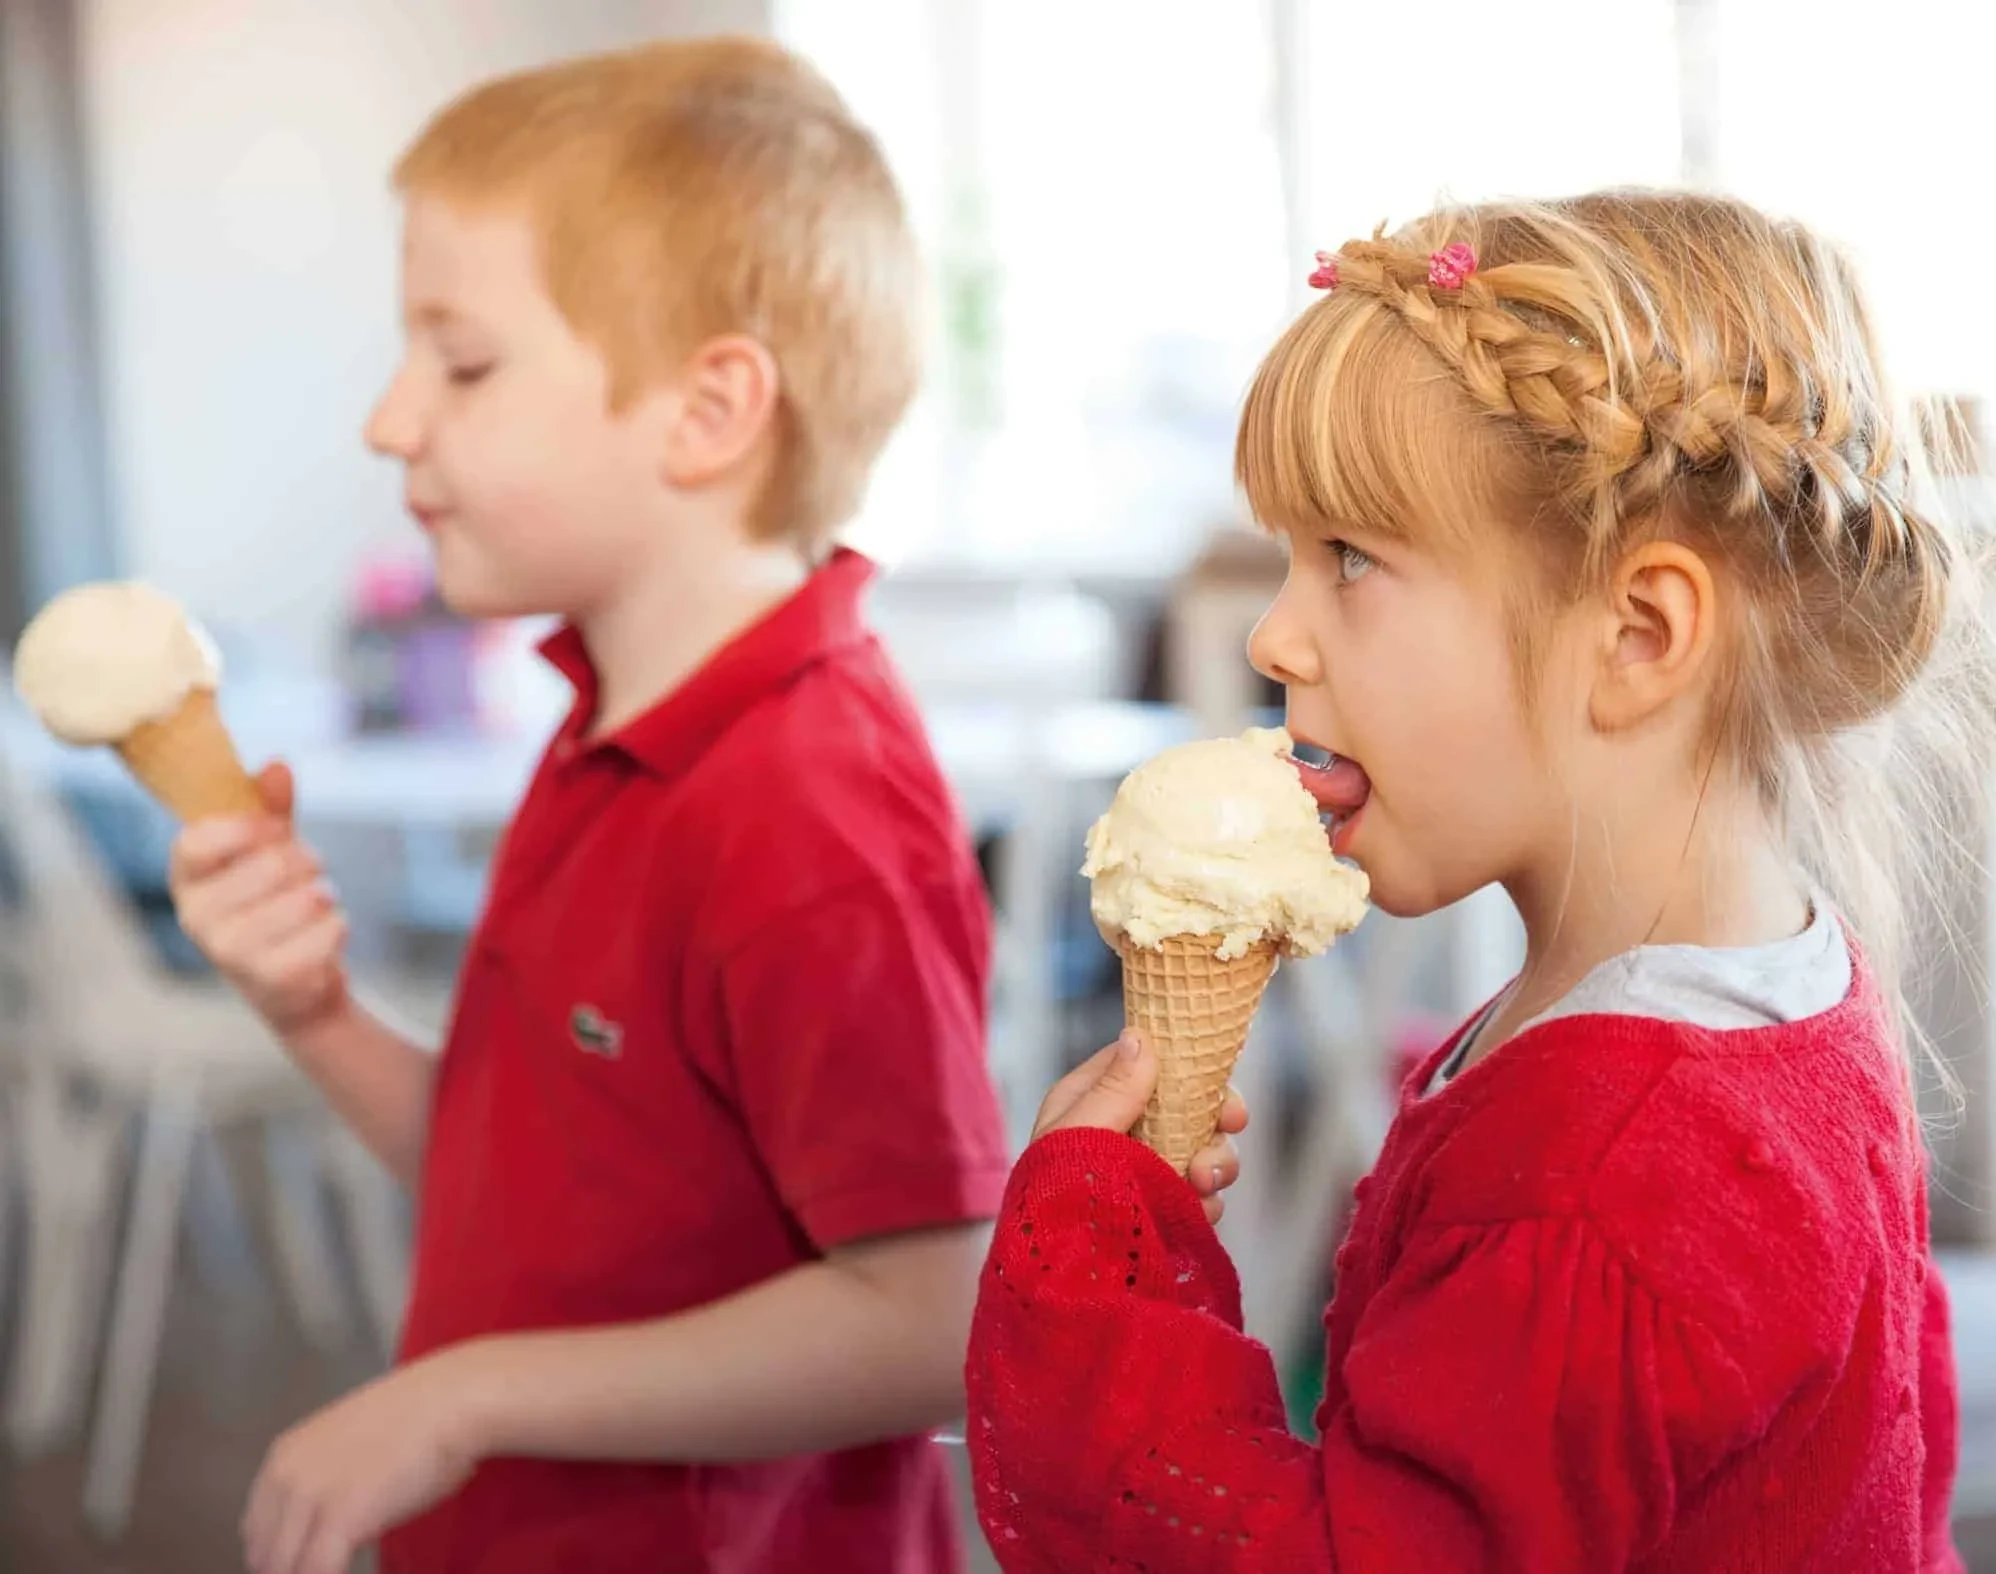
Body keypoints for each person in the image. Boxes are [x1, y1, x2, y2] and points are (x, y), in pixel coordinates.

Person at [966, 190, 1990, 1572]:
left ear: (1638, 632)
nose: (1274, 634)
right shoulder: (1790, 996)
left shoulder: (1591, 1181)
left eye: (1351, 559)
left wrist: (1093, 1260)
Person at [168, 36, 1011, 1574]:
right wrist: (313, 1009)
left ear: (709, 412)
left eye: (464, 361)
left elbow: (936, 1319)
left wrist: (465, 1395)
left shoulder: (808, 807)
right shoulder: (604, 724)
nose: (389, 419)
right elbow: (546, 1197)